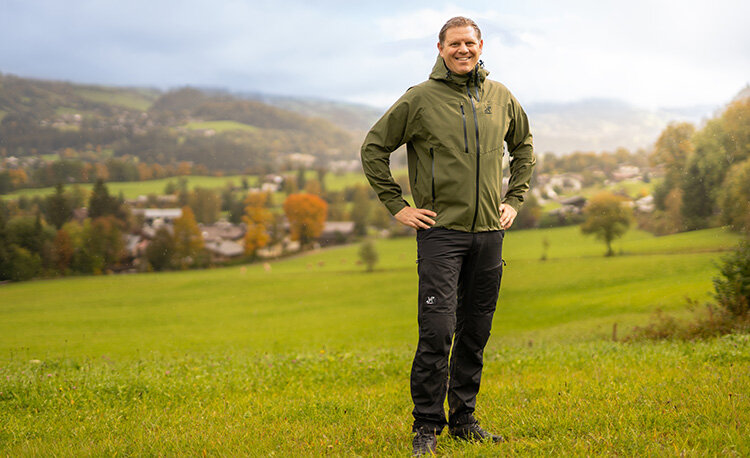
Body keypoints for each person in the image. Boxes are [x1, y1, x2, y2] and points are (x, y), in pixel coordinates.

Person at [360, 16, 535, 456]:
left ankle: (464, 419)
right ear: (440, 48)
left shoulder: (500, 96)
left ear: (481, 45)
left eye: (469, 43)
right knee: (437, 331)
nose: (463, 50)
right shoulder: (420, 99)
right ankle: (426, 427)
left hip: (490, 234)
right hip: (441, 234)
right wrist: (397, 206)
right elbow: (374, 148)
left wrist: (514, 197)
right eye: (454, 43)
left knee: (476, 330)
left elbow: (525, 147)